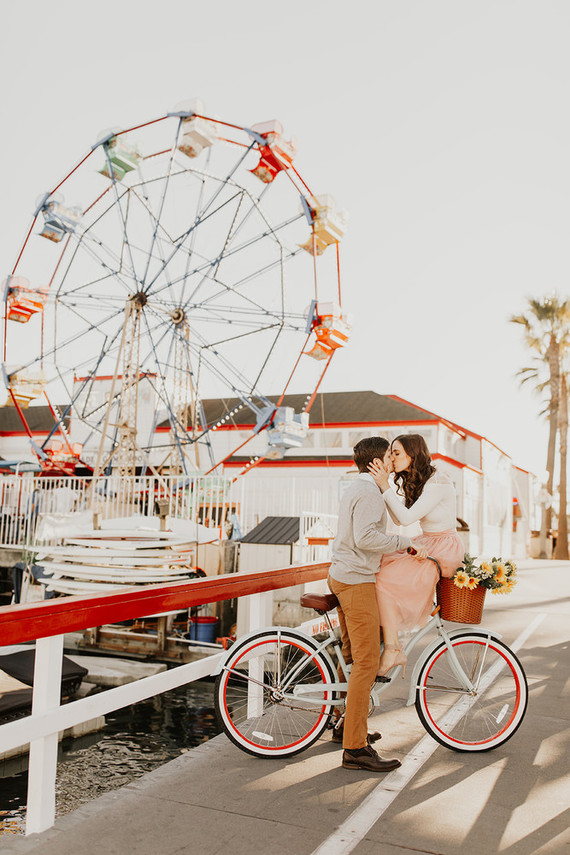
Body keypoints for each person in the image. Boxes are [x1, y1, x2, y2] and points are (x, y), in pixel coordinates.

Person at [328, 436, 422, 773]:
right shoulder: (368, 492)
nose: (393, 460)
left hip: (343, 574)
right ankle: (355, 748)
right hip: (356, 580)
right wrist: (404, 542)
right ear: (377, 462)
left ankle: (345, 725)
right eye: (389, 456)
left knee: (353, 657)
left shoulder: (360, 487)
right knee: (367, 662)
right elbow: (365, 537)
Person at [368, 433, 464, 678]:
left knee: (384, 579)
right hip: (430, 542)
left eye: (396, 453)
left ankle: (392, 648)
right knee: (380, 566)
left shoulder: (438, 482)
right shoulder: (423, 481)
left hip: (443, 548)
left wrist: (385, 486)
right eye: (390, 453)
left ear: (413, 454)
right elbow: (400, 518)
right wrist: (384, 486)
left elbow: (407, 518)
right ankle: (387, 640)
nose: (392, 458)